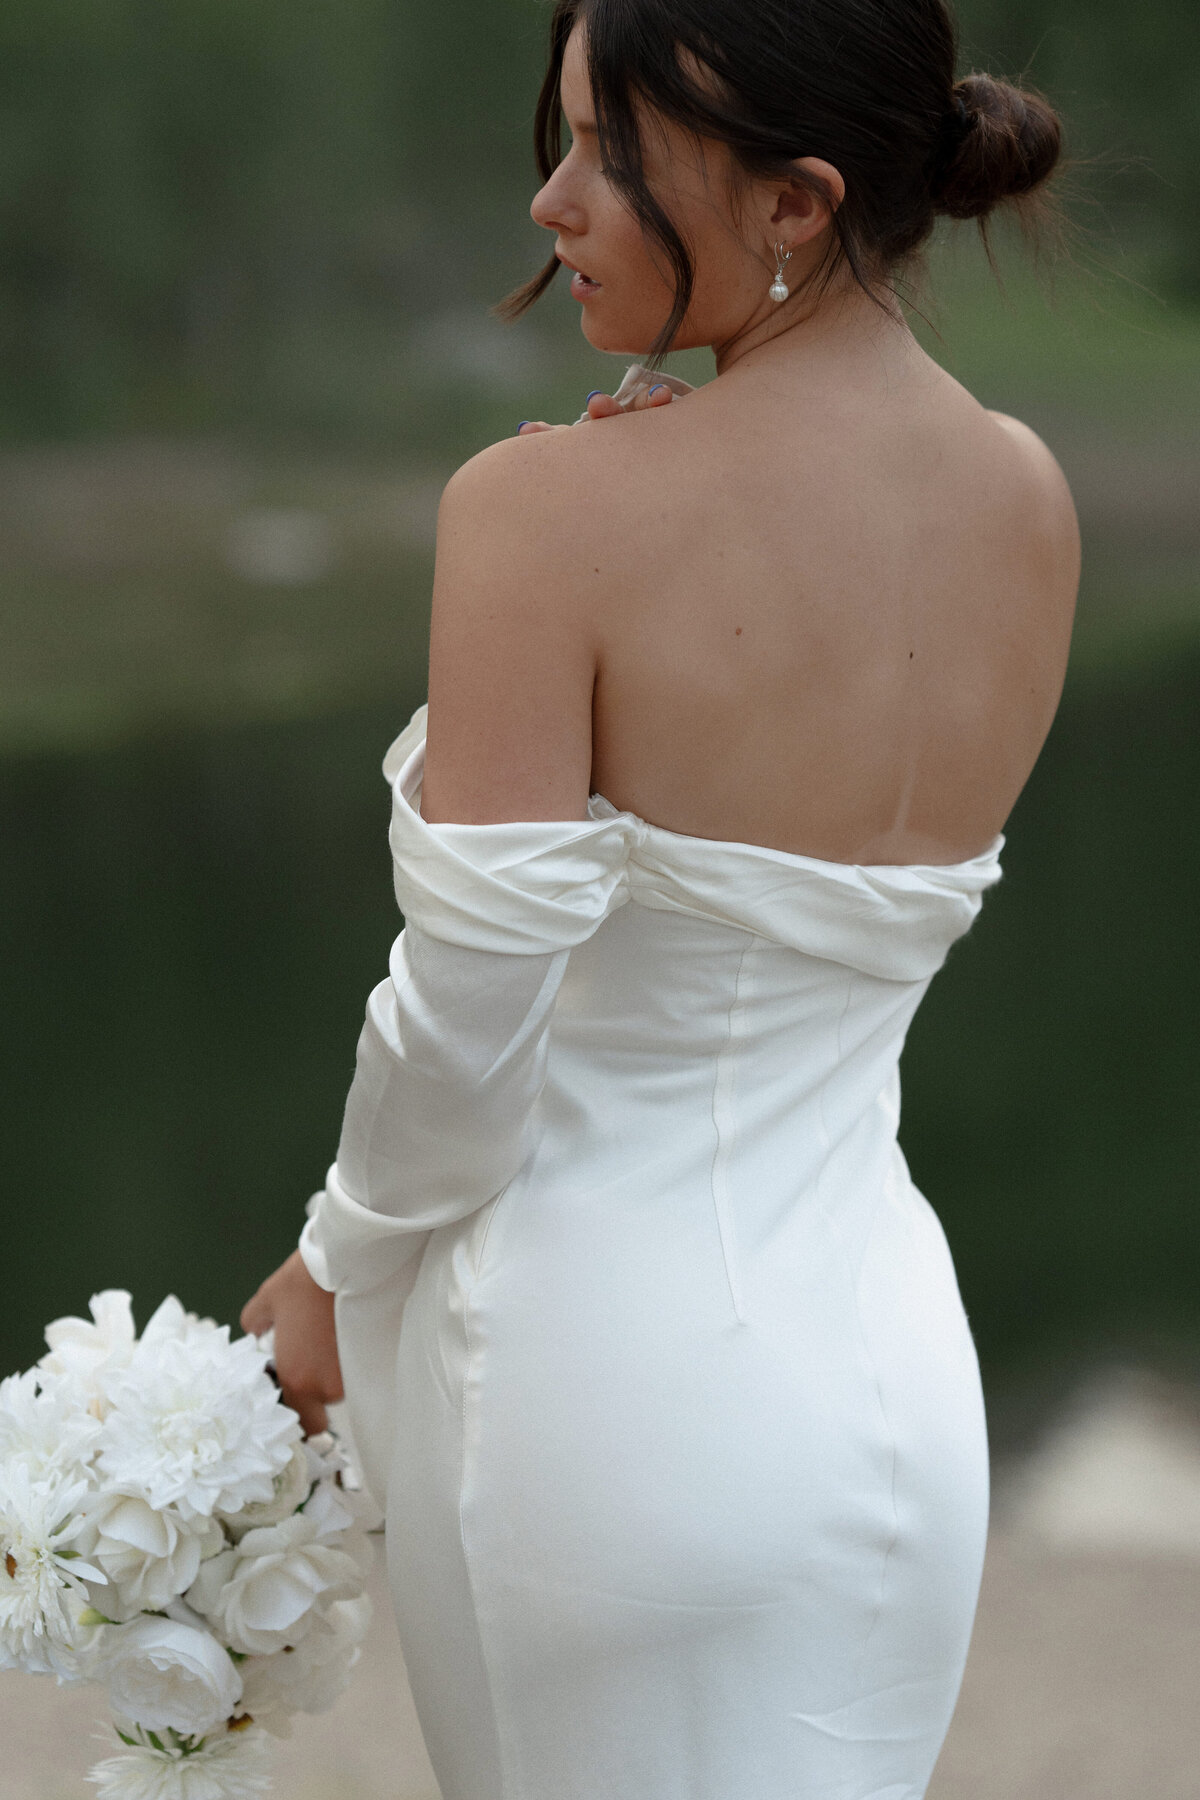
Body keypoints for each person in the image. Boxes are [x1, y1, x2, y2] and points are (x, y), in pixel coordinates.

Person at [241, 0, 1079, 1794]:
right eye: (556, 143)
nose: (551, 202)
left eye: (611, 156)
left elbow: (468, 1034)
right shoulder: (1026, 499)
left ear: (797, 205)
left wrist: (325, 1271)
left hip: (596, 1395)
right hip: (891, 1394)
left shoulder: (546, 515)